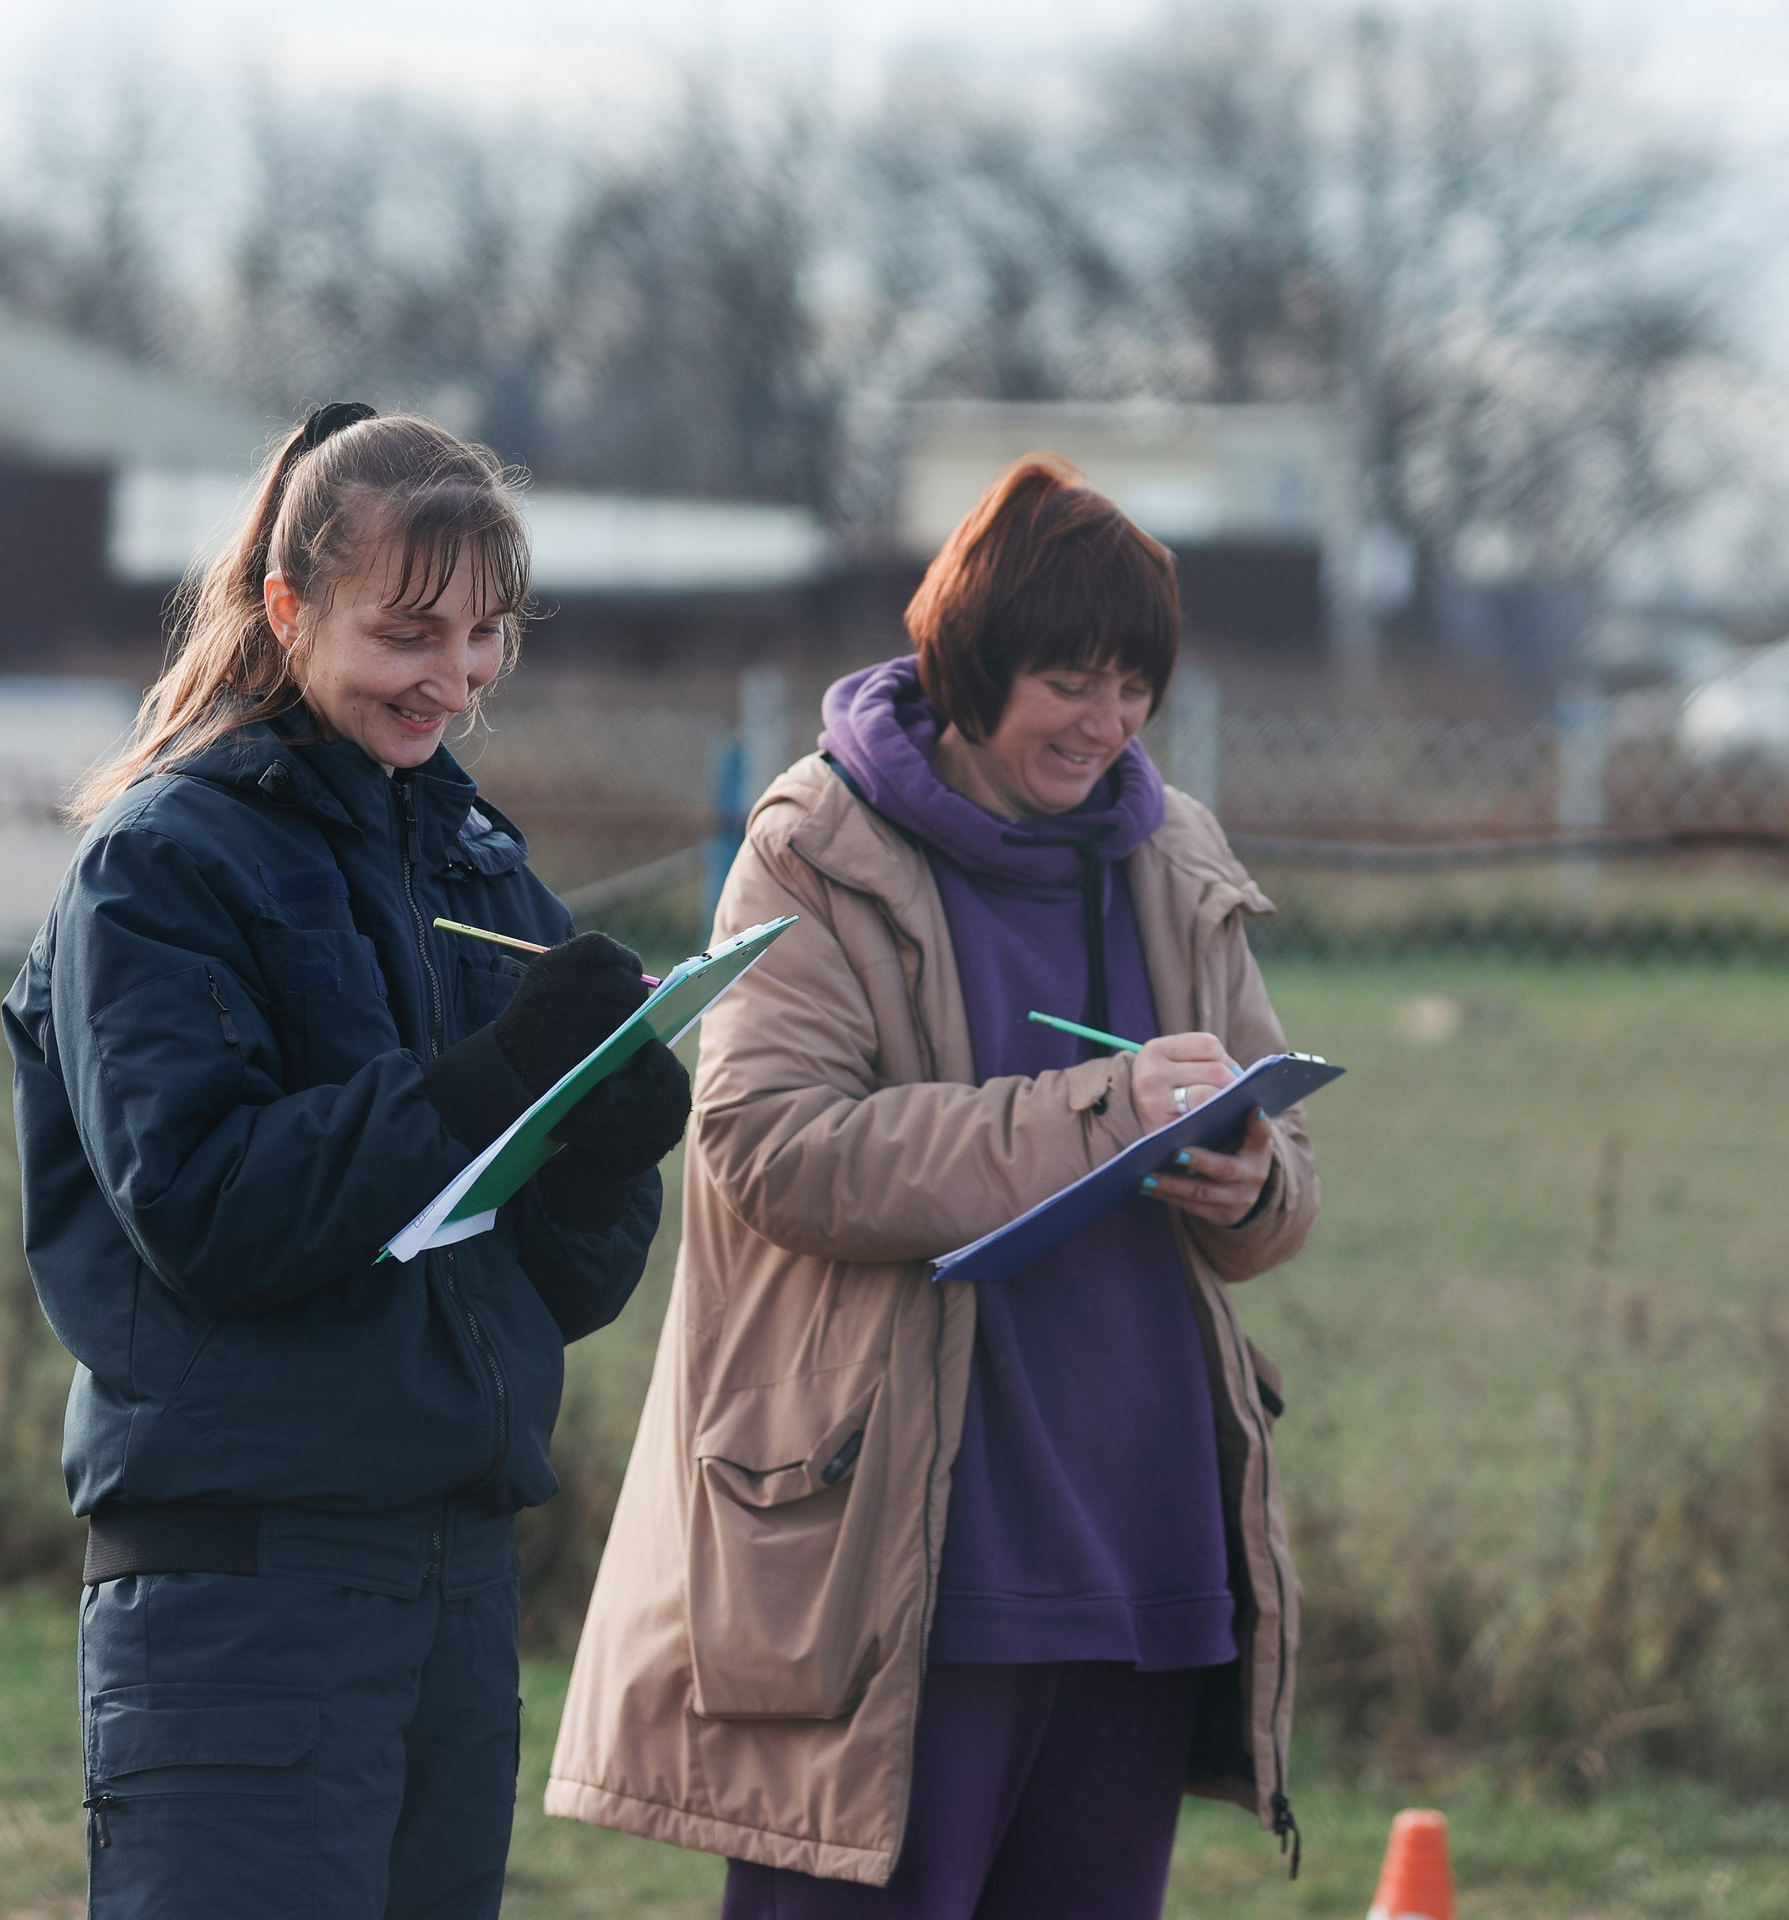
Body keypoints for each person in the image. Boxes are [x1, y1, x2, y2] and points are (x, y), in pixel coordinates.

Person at [543, 455, 1318, 1919]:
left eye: (1134, 688)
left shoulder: (1178, 856)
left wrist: (1251, 1181)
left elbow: (1284, 1171)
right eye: (1071, 684)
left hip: (1146, 1560)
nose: (1108, 725)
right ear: (968, 662)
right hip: (897, 1558)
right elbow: (772, 1147)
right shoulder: (813, 850)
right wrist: (1100, 1111)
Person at [2, 403, 689, 1918]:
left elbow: (539, 1286)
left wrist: (596, 1151)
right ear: (290, 608)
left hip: (451, 1577)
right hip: (245, 1591)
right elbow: (209, 1212)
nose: (454, 676)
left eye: (489, 634)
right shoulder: (162, 867)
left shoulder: (477, 863)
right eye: (411, 630)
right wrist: (490, 1078)